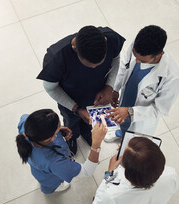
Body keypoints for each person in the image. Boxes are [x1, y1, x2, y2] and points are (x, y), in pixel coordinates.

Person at [37, 26, 125, 154]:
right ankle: (72, 138)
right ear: (74, 49)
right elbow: (51, 88)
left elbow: (115, 59)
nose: (95, 68)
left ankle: (86, 132)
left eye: (99, 64)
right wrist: (76, 109)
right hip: (71, 99)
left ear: (105, 40)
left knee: (89, 122)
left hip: (96, 94)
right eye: (90, 66)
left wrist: (109, 86)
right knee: (71, 122)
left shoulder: (111, 39)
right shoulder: (56, 58)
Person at [105, 25, 179, 141]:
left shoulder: (173, 78)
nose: (136, 61)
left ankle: (126, 138)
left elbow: (159, 110)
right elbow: (124, 65)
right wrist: (115, 89)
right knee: (121, 121)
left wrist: (130, 111)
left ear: (160, 54)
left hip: (140, 115)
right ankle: (120, 132)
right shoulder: (138, 45)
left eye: (142, 61)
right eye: (135, 56)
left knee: (132, 139)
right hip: (127, 97)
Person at [91, 137, 178, 204]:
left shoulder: (112, 196)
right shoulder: (171, 175)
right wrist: (130, 153)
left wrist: (110, 172)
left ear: (128, 173)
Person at [16, 109, 107, 194]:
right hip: (50, 178)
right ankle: (49, 189)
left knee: (42, 175)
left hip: (39, 169)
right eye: (57, 129)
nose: (60, 128)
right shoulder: (55, 162)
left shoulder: (26, 122)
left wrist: (59, 130)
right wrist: (96, 144)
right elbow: (87, 171)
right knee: (49, 185)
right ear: (49, 138)